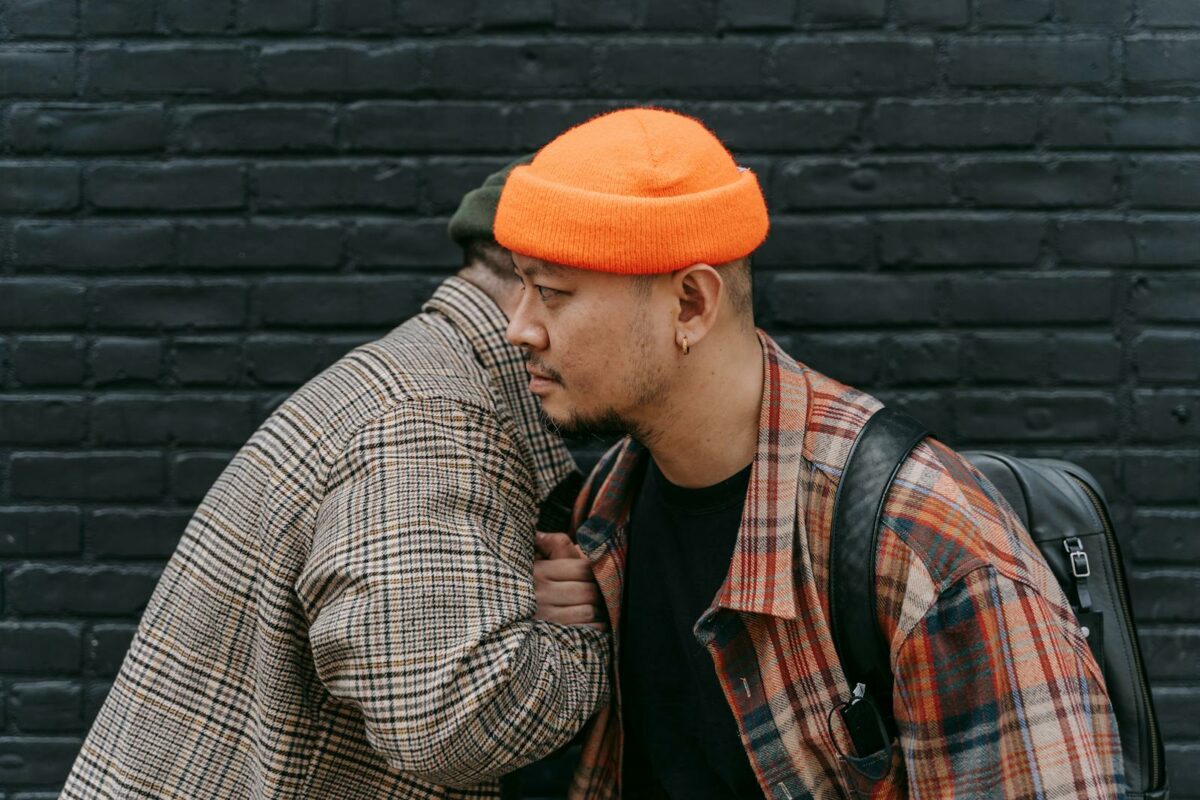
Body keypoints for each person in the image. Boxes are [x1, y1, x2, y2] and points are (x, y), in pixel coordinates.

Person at [502, 108, 1124, 799]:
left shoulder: (926, 545)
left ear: (688, 305)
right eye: (520, 286)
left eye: (552, 294)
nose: (519, 327)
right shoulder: (610, 504)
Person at [60, 162, 611, 799]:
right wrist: (584, 635)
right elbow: (452, 721)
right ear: (530, 278)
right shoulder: (432, 421)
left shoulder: (421, 380)